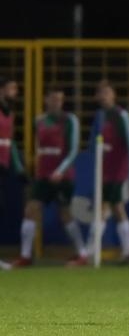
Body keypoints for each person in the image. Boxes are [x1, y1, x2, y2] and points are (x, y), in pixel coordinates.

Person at [12, 88, 86, 267]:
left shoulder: (70, 120)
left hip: (62, 176)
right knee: (31, 209)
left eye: (59, 99)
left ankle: (82, 254)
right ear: (46, 99)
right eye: (53, 99)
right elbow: (40, 148)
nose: (56, 102)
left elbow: (74, 149)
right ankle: (25, 256)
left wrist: (60, 170)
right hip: (42, 176)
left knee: (65, 214)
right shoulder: (39, 120)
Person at [87, 80, 129, 265]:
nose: (104, 96)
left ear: (114, 95)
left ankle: (92, 250)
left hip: (117, 170)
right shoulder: (100, 116)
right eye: (101, 93)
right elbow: (94, 143)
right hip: (103, 170)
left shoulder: (120, 115)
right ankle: (127, 252)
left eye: (107, 92)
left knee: (106, 207)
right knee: (114, 208)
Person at [0, 77, 25, 215]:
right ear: (2, 90)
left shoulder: (10, 114)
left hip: (3, 164)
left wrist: (19, 168)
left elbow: (11, 142)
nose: (16, 92)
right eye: (12, 88)